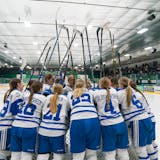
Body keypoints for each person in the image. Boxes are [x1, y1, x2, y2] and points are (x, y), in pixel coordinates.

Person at [93, 77, 129, 160]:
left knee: (110, 153)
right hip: (120, 123)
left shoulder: (96, 93)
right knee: (123, 151)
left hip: (107, 125)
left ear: (100, 84)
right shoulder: (114, 91)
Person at [118, 77, 152, 160]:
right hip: (147, 119)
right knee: (147, 147)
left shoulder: (120, 93)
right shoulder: (136, 92)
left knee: (140, 150)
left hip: (137, 121)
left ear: (121, 84)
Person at [10, 81, 46, 160]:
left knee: (15, 155)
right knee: (26, 156)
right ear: (41, 89)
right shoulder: (43, 98)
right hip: (30, 127)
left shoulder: (25, 95)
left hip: (16, 125)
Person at [67, 79, 100, 160]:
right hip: (93, 119)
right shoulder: (90, 92)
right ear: (84, 85)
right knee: (92, 154)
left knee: (78, 155)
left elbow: (68, 108)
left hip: (77, 120)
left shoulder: (69, 94)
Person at [37, 84, 69, 160]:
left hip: (43, 130)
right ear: (62, 91)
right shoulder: (65, 98)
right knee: (58, 156)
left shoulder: (47, 98)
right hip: (58, 131)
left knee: (43, 155)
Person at [129, 80, 158, 160]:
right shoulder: (139, 93)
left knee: (142, 148)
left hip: (143, 120)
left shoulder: (133, 95)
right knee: (150, 144)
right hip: (150, 118)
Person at [0, 78, 24, 160]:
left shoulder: (12, 92)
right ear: (18, 84)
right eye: (22, 83)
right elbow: (16, 111)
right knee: (4, 152)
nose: (23, 85)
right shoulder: (17, 93)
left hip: (4, 123)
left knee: (6, 151)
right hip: (6, 125)